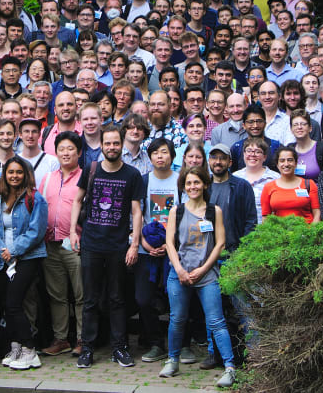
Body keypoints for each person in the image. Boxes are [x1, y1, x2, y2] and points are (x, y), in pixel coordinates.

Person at [70, 124, 144, 369]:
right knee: (90, 299)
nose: (112, 147)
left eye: (116, 143)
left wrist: (134, 244)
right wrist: (73, 231)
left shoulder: (132, 175)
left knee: (117, 298)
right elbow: (77, 200)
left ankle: (119, 347)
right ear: (101, 145)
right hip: (91, 243)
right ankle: (88, 347)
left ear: (122, 145)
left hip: (117, 245)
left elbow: (136, 211)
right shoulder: (91, 169)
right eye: (108, 143)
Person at [159, 166, 237, 388]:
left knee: (216, 320)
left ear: (205, 184)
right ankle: (172, 361)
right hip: (179, 274)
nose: (193, 187)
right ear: (183, 187)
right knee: (177, 319)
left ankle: (230, 368)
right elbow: (169, 244)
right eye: (188, 183)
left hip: (207, 275)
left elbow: (220, 243)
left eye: (197, 182)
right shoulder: (177, 211)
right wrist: (180, 270)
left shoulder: (214, 211)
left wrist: (203, 269)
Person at [0, 157, 48, 371]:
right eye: (11, 172)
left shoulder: (35, 198)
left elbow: (36, 231)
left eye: (19, 172)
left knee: (14, 303)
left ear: (26, 174)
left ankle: (30, 350)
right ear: (5, 174)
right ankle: (16, 346)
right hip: (2, 260)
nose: (14, 176)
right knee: (7, 304)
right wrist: (2, 251)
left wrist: (13, 250)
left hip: (27, 258)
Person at [38, 131, 85, 357]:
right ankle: (61, 339)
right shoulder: (48, 178)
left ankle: (83, 338)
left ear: (79, 152)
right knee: (57, 295)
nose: (65, 153)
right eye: (61, 149)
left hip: (75, 244)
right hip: (50, 244)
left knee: (80, 294)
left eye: (70, 149)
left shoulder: (86, 178)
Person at [136, 138, 180, 363]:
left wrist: (170, 244)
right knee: (143, 299)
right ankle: (156, 343)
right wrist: (142, 242)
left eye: (164, 152)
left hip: (174, 250)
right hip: (147, 249)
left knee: (177, 300)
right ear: (150, 157)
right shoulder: (143, 181)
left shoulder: (180, 181)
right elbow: (135, 215)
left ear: (172, 155)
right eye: (155, 153)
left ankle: (180, 345)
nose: (160, 156)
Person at [261, 147, 321, 224]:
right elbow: (265, 217)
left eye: (290, 160)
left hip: (305, 232)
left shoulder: (309, 184)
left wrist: (312, 232)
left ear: (296, 163)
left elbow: (317, 213)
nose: (286, 164)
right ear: (277, 164)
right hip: (279, 234)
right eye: (282, 161)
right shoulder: (268, 187)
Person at [232, 137, 280, 225]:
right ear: (244, 154)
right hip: (241, 230)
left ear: (264, 157)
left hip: (267, 230)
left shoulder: (275, 178)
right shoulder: (234, 178)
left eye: (258, 152)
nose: (252, 155)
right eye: (249, 151)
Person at [288, 110, 323, 180]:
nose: (299, 127)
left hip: (317, 190)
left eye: (303, 124)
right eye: (295, 125)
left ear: (310, 128)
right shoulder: (289, 150)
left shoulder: (322, 149)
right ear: (291, 129)